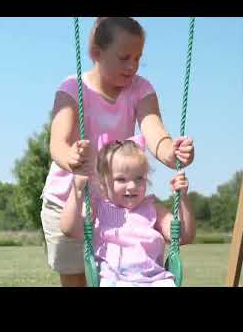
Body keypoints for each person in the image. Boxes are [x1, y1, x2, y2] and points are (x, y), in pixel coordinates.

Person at [41, 17, 195, 287]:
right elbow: (57, 143)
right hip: (69, 199)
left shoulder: (140, 89)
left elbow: (155, 132)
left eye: (138, 58)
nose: (132, 66)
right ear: (96, 54)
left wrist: (172, 152)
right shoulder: (72, 88)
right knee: (77, 278)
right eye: (124, 58)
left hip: (119, 203)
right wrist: (72, 159)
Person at [60, 135, 196, 287]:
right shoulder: (98, 208)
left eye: (139, 179)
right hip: (115, 280)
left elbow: (184, 236)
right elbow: (70, 229)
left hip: (155, 280)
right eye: (121, 179)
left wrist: (183, 198)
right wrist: (77, 191)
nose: (131, 186)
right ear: (104, 184)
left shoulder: (153, 209)